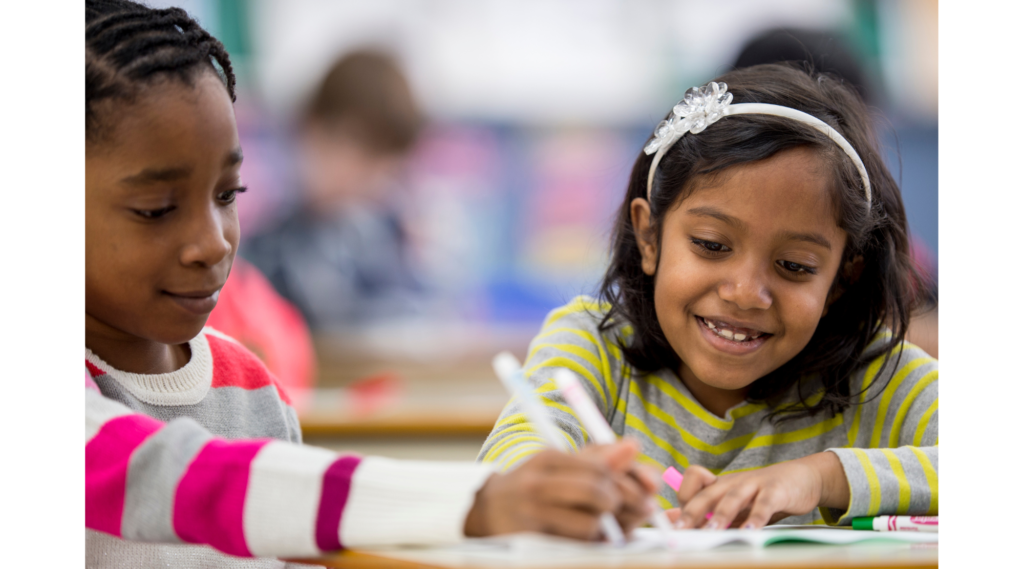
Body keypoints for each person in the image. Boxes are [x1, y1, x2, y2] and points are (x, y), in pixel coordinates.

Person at [85, 2, 656, 567]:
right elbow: (192, 479)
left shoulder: (251, 386)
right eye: (157, 208)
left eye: (228, 194)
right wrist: (482, 502)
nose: (213, 243)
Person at [479, 64, 938, 530]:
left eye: (794, 267)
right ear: (649, 237)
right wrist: (556, 490)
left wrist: (820, 477)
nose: (745, 294)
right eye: (711, 246)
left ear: (841, 279)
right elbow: (514, 456)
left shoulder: (877, 379)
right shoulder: (593, 346)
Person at [241, 50, 427, 330]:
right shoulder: (268, 245)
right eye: (357, 149)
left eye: (381, 164)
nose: (364, 176)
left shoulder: (388, 238)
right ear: (312, 127)